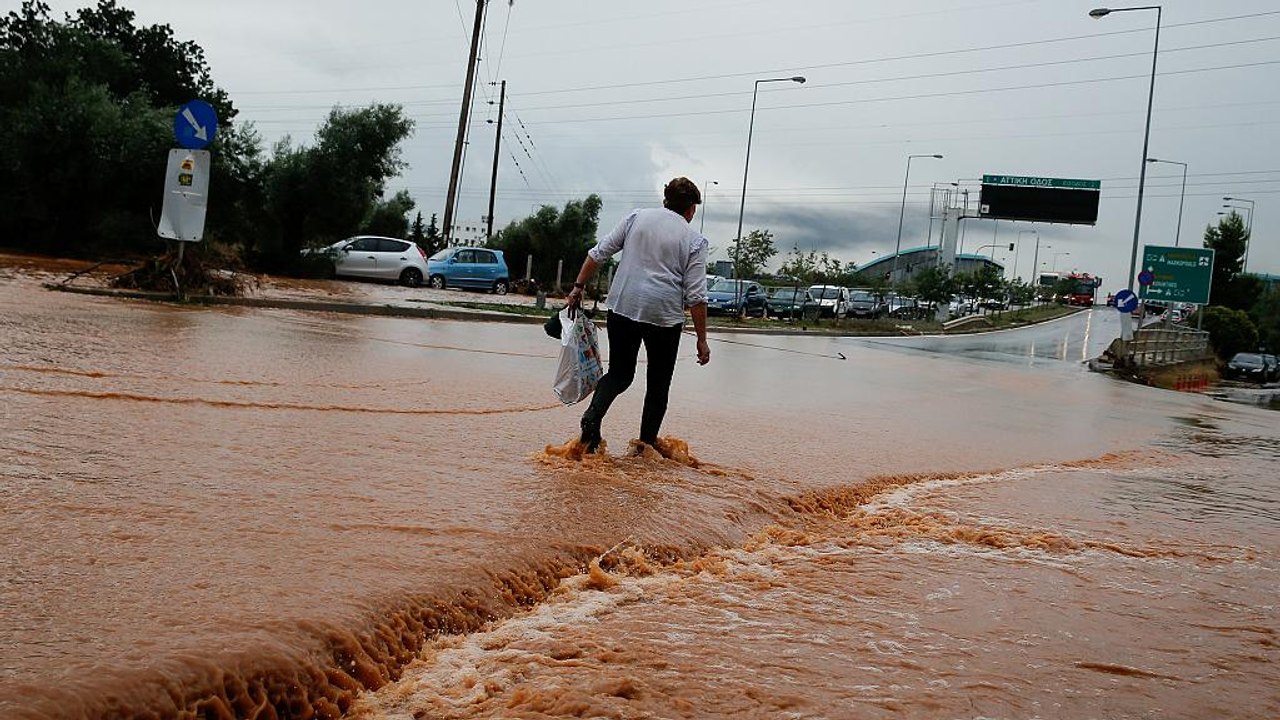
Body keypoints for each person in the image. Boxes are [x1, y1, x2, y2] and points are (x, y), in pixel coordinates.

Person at [565, 176, 711, 453]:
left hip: (623, 305)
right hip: (664, 317)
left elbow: (600, 252)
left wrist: (578, 287)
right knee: (658, 385)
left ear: (666, 200)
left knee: (619, 373)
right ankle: (644, 446)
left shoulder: (636, 217)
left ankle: (593, 417)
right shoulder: (694, 240)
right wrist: (702, 339)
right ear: (691, 209)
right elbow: (696, 295)